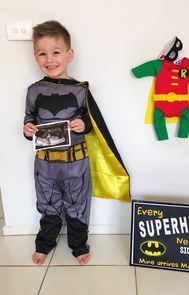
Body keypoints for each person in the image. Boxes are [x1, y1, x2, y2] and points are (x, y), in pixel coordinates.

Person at [23, 20, 94, 266]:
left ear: (69, 54)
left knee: (77, 205)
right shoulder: (34, 91)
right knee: (48, 204)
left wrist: (84, 125)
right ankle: (45, 243)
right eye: (42, 53)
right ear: (35, 57)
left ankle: (78, 244)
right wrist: (27, 128)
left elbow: (94, 123)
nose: (49, 59)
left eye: (56, 52)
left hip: (76, 162)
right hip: (46, 164)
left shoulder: (81, 90)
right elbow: (28, 118)